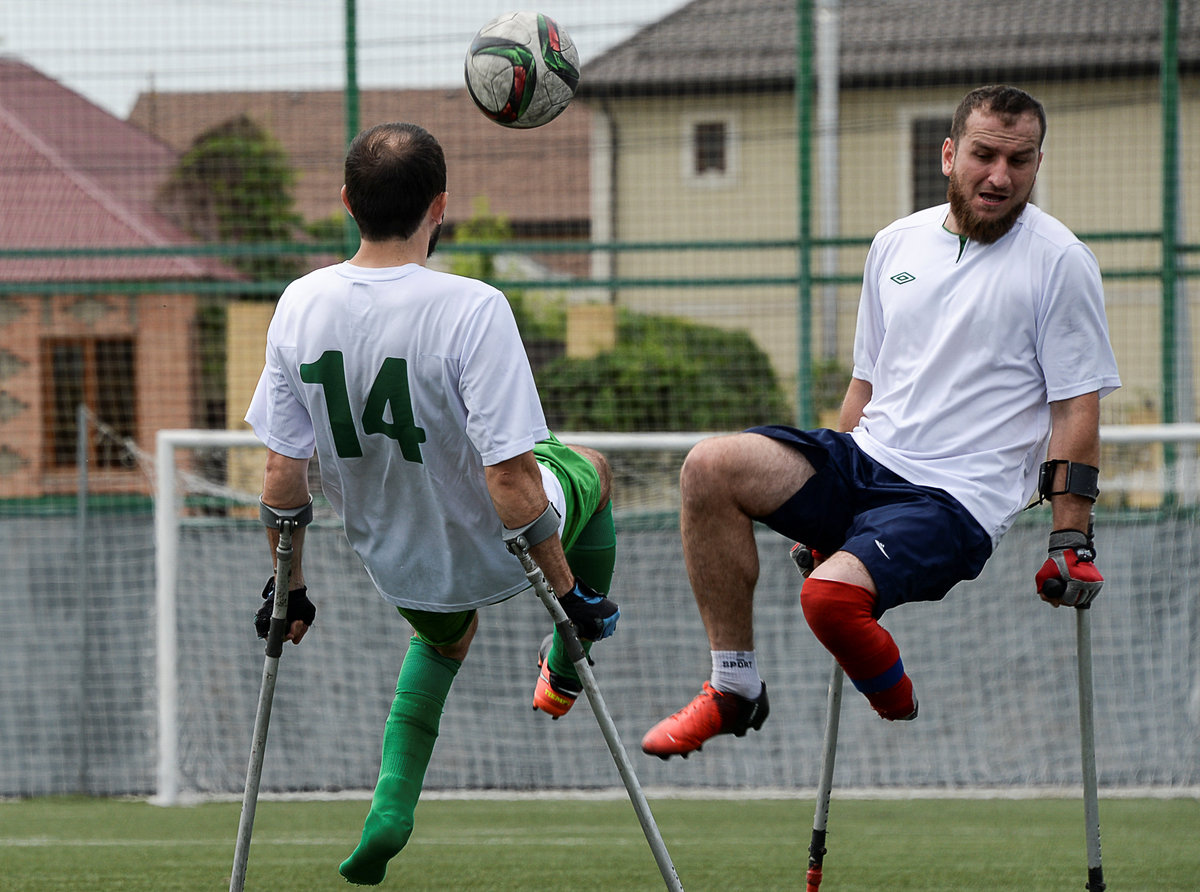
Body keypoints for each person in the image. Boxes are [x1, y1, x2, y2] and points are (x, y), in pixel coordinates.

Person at [641, 85, 1121, 759]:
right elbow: (866, 382)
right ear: (948, 155)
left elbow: (1075, 404)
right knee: (709, 468)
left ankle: (897, 699)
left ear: (1038, 164)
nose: (1000, 176)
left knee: (828, 601)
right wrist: (821, 519)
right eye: (984, 155)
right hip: (867, 460)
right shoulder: (896, 243)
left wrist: (1071, 537)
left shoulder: (1060, 260)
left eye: (1019, 161)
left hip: (956, 499)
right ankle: (733, 688)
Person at [244, 121, 620, 885]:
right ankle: (565, 663)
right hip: (505, 544)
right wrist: (569, 597)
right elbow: (511, 477)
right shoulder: (473, 307)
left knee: (443, 642)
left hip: (400, 560)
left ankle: (390, 808)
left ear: (347, 201)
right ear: (440, 206)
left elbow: (283, 472)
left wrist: (289, 590)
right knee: (593, 466)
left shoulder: (300, 303)